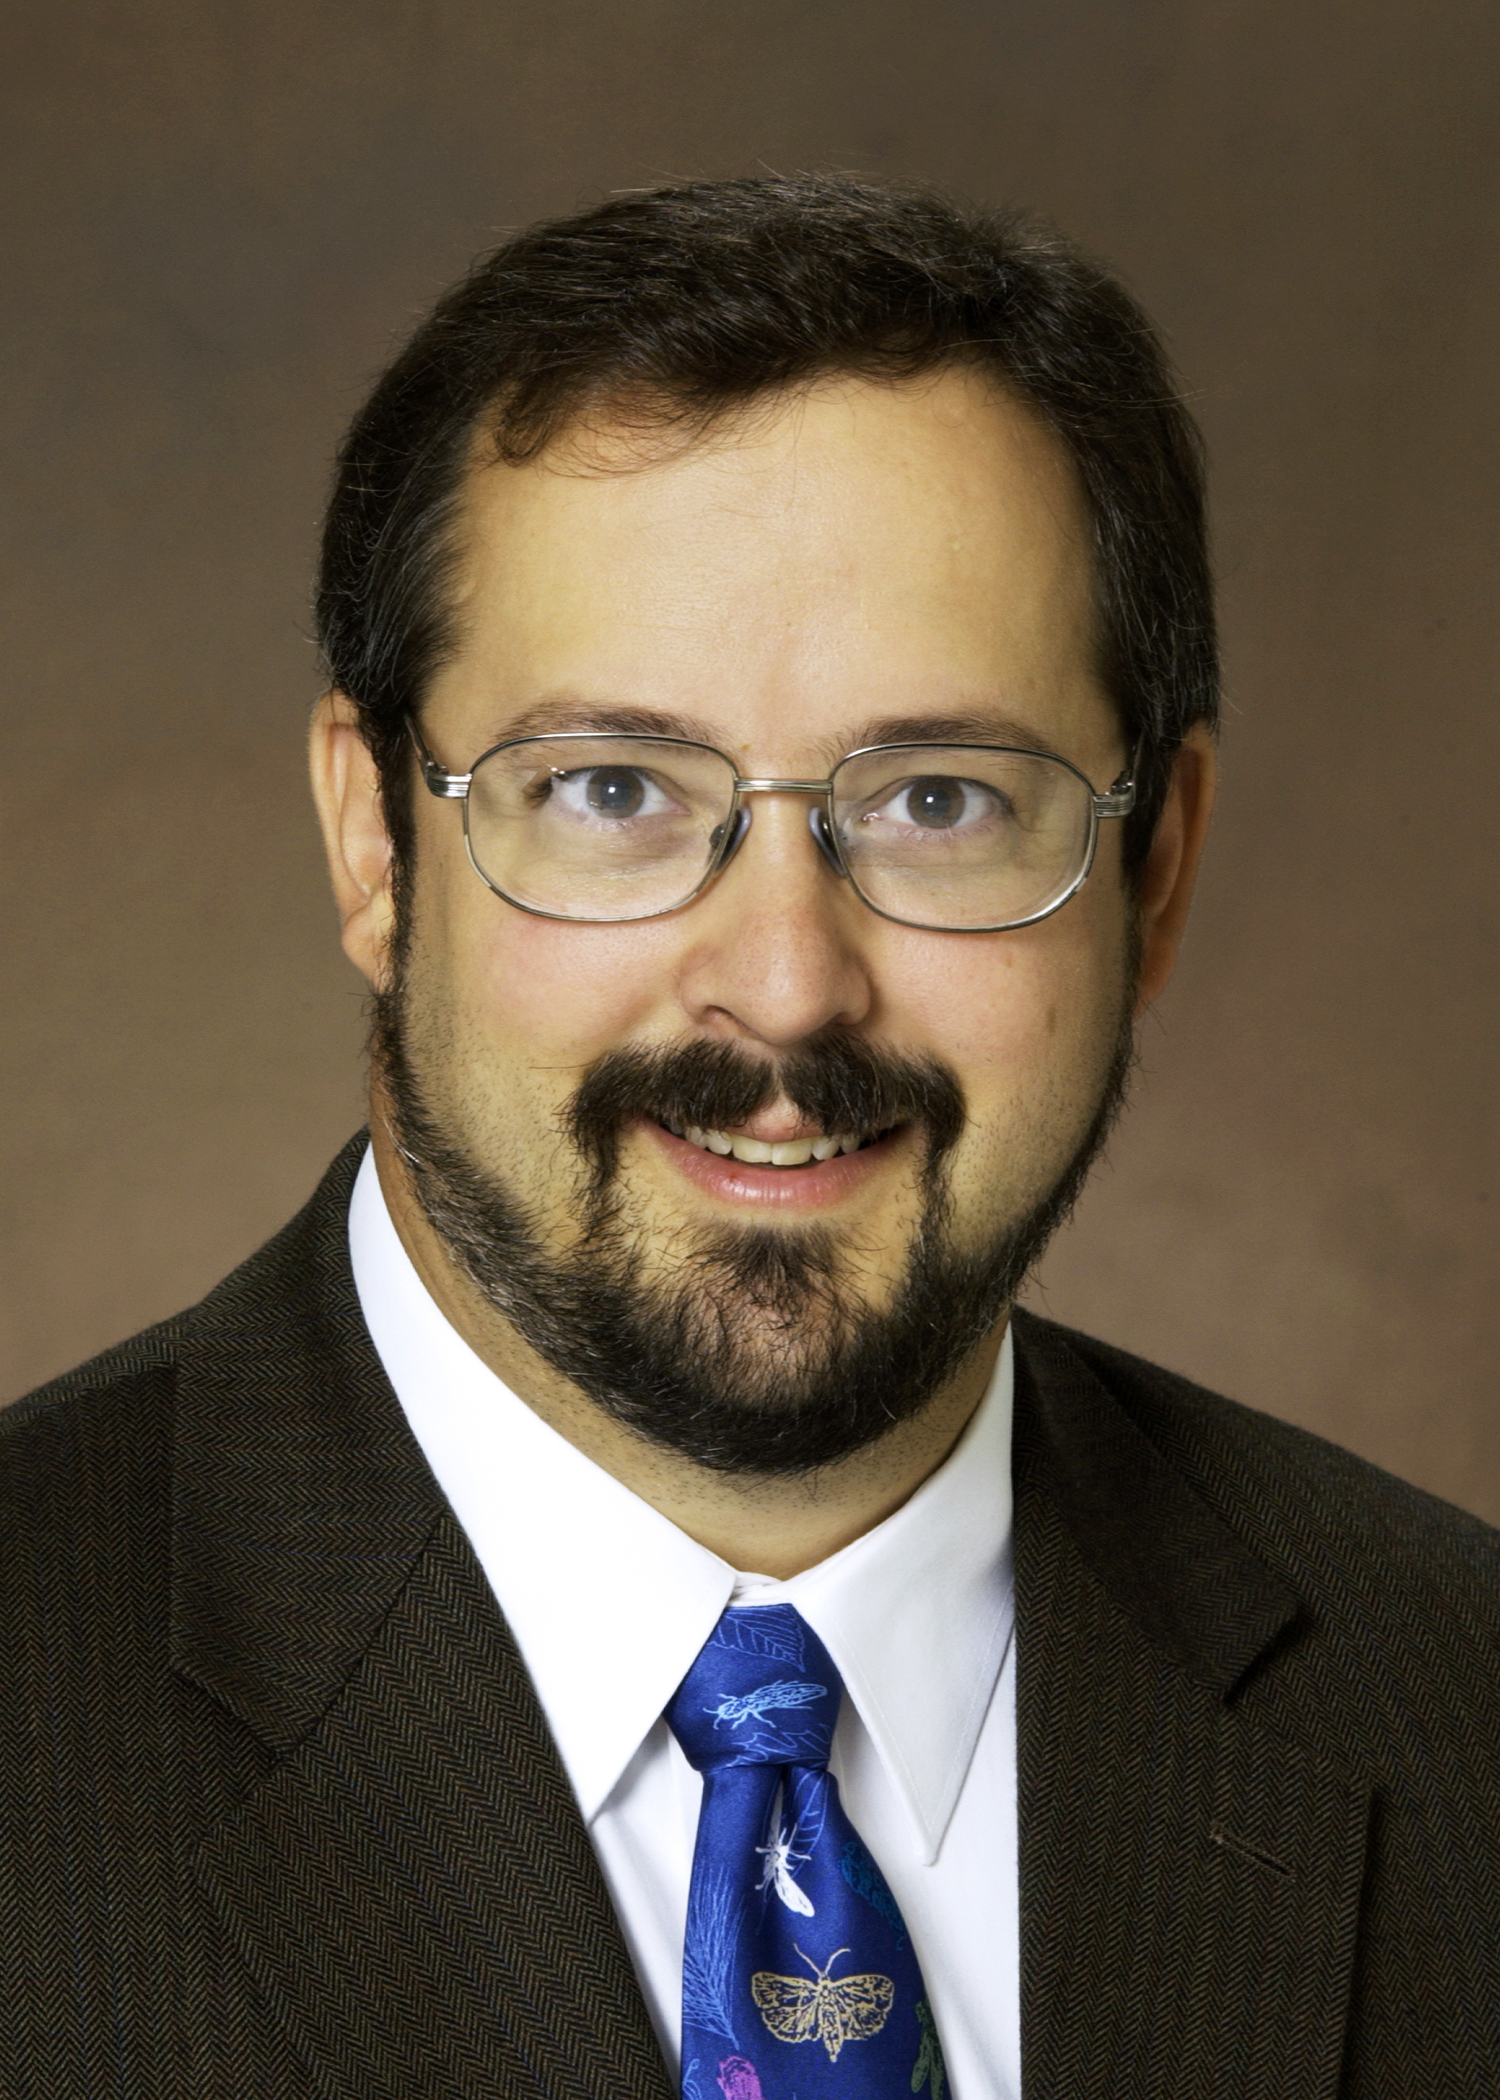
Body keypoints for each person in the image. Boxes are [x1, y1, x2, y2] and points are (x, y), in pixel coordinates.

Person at [2, 174, 1496, 2100]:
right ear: (377, 844)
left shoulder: (1460, 1709)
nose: (787, 989)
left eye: (942, 799)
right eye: (610, 787)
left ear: (1162, 868)